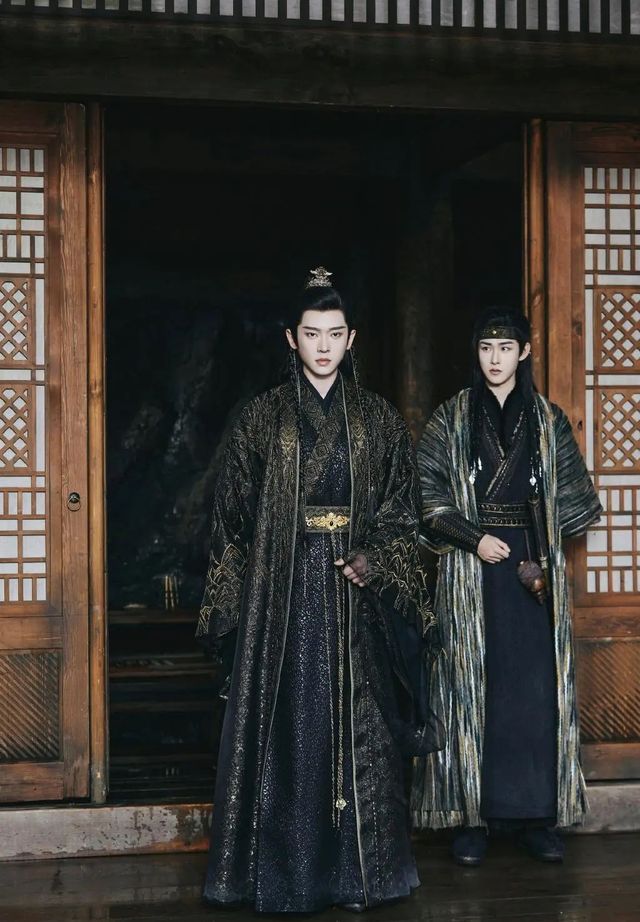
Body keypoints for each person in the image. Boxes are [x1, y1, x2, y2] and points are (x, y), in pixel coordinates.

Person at [196, 267, 440, 913]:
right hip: (281, 593)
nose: (324, 346)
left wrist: (375, 558)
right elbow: (231, 518)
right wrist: (234, 609)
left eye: (335, 333)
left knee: (363, 729)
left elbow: (403, 509)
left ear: (352, 338)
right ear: (291, 338)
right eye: (311, 334)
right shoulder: (262, 418)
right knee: (288, 728)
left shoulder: (378, 418)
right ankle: (287, 877)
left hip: (354, 591)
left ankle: (360, 877)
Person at [412, 307, 601, 866]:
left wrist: (538, 552)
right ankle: (472, 818)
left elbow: (573, 499)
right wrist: (474, 539)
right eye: (485, 348)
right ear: (476, 353)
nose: (494, 359)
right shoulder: (450, 419)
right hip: (473, 569)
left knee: (533, 691)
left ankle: (536, 817)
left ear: (524, 352)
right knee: (472, 687)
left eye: (505, 348)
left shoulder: (547, 419)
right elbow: (426, 496)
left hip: (531, 569)